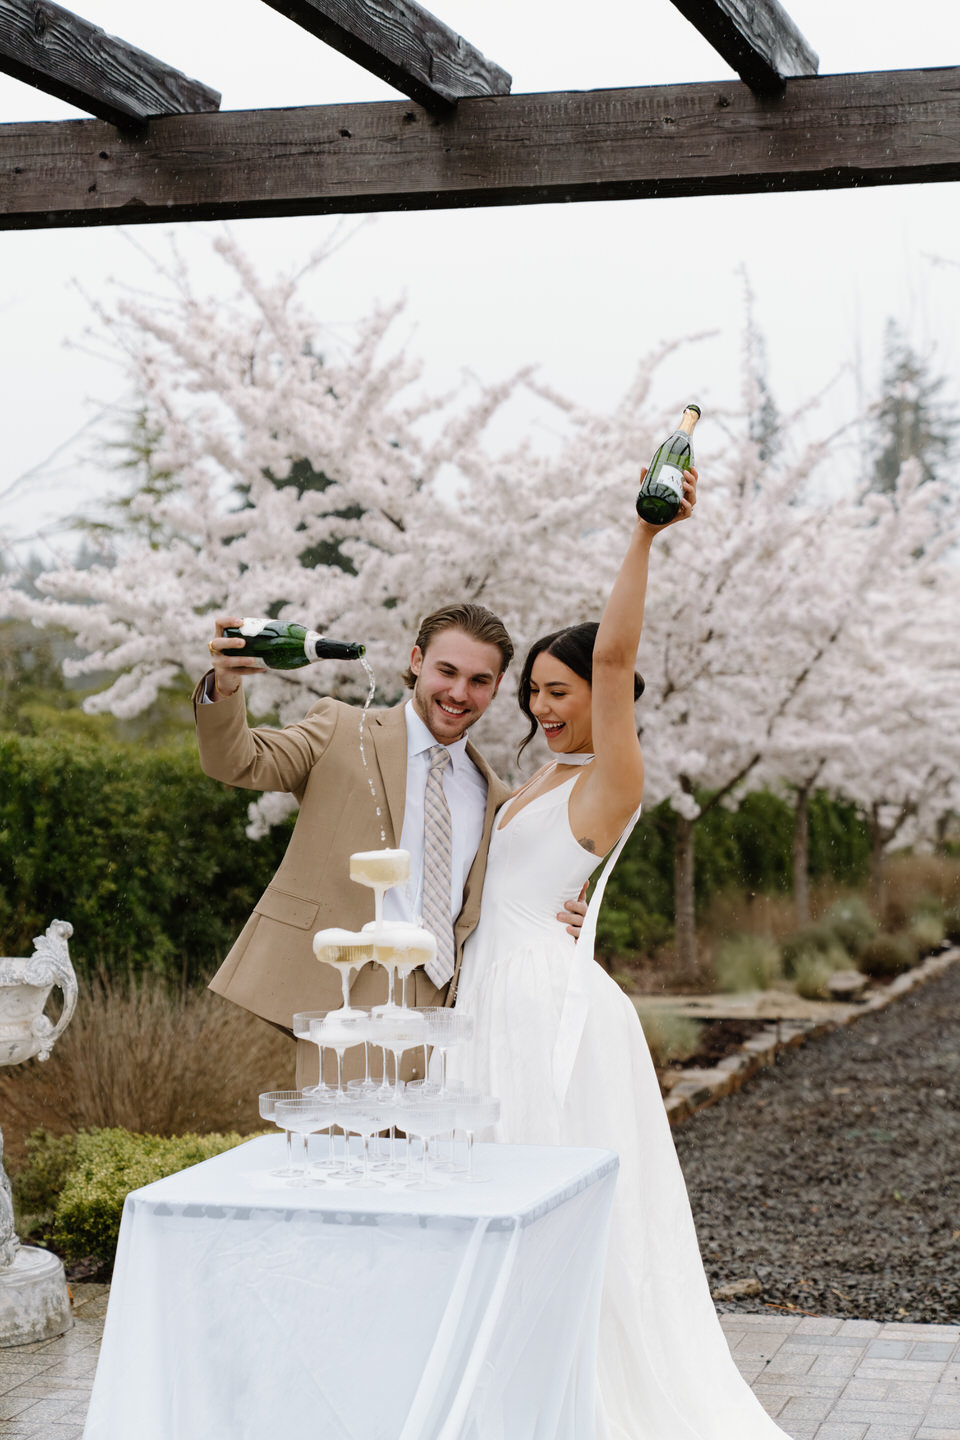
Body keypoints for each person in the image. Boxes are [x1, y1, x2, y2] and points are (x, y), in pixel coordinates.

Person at [451, 469, 792, 1438]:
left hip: (546, 1016)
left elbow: (615, 657)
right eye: (532, 696)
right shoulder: (532, 777)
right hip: (487, 1001)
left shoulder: (612, 777)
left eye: (555, 691)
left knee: (560, 1214)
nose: (542, 708)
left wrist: (643, 538)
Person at [195, 602, 585, 1088]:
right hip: (351, 994)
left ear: (498, 686)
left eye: (479, 681)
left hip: (454, 1009)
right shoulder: (341, 730)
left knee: (436, 1157)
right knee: (349, 1156)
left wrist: (569, 916)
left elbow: (518, 893)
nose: (459, 693)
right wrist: (226, 685)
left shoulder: (497, 798)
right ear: (417, 661)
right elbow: (238, 761)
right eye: (446, 671)